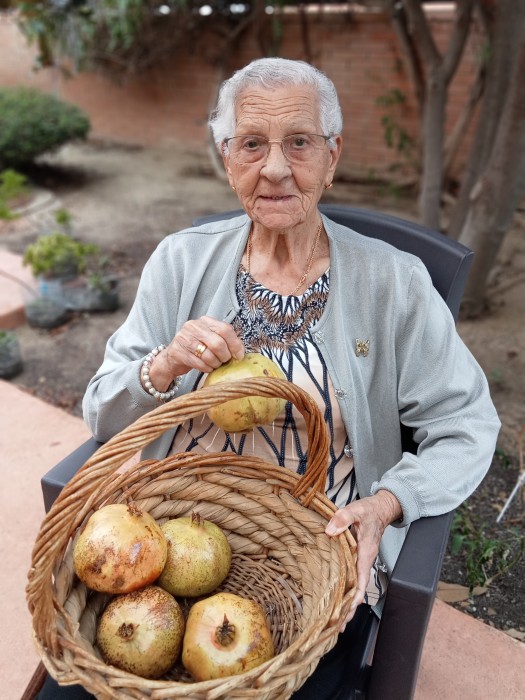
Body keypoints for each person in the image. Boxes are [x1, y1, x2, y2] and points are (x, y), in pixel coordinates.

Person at [37, 57, 500, 700]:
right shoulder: (180, 262)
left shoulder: (393, 283)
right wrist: (164, 365)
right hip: (170, 545)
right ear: (227, 159)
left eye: (300, 142)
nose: (276, 167)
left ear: (333, 156)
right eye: (252, 143)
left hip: (316, 560)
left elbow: (465, 424)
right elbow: (103, 411)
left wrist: (389, 503)